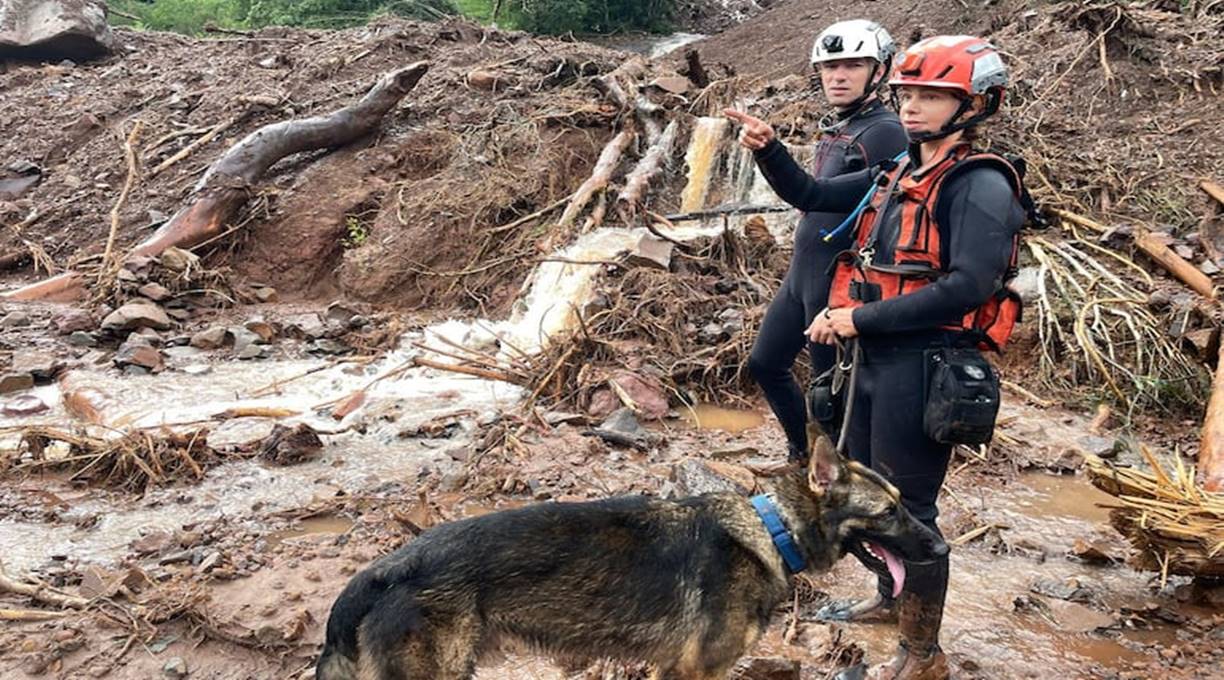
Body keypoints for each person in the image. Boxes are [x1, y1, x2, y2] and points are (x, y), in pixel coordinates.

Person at [727, 35, 1027, 680]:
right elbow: (812, 194)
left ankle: (923, 656)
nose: (914, 108)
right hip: (874, 361)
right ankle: (892, 604)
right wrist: (769, 150)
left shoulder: (980, 184)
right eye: (909, 95)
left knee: (910, 514)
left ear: (974, 104)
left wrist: (855, 317)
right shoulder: (897, 173)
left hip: (927, 367)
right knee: (860, 493)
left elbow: (968, 285)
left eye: (934, 97)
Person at [725, 19, 907, 466]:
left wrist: (769, 148)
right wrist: (770, 150)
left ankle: (838, 483)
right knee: (766, 364)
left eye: (851, 66)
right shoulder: (840, 126)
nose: (837, 76)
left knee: (830, 396)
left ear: (879, 72)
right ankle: (803, 455)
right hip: (803, 274)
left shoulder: (885, 132)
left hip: (836, 283)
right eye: (829, 67)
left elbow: (812, 194)